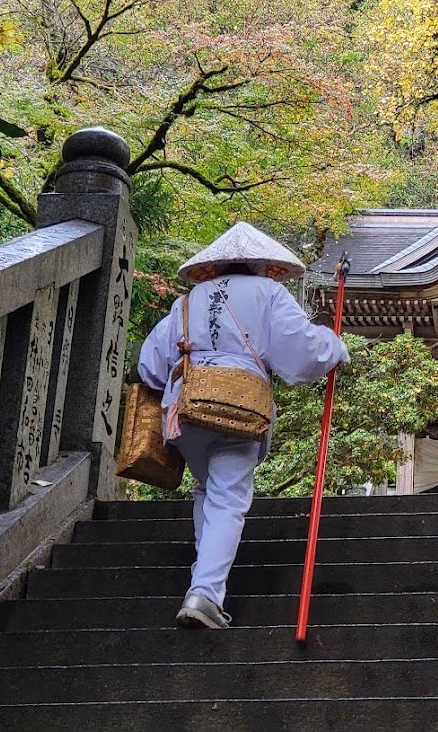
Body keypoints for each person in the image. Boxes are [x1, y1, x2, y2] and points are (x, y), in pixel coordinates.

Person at [136, 222, 346, 629]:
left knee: (207, 489)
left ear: (214, 266)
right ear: (262, 264)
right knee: (228, 496)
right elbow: (302, 349)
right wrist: (336, 346)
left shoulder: (187, 301)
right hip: (240, 407)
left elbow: (150, 364)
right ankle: (205, 593)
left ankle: (205, 577)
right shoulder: (268, 292)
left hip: (187, 410)